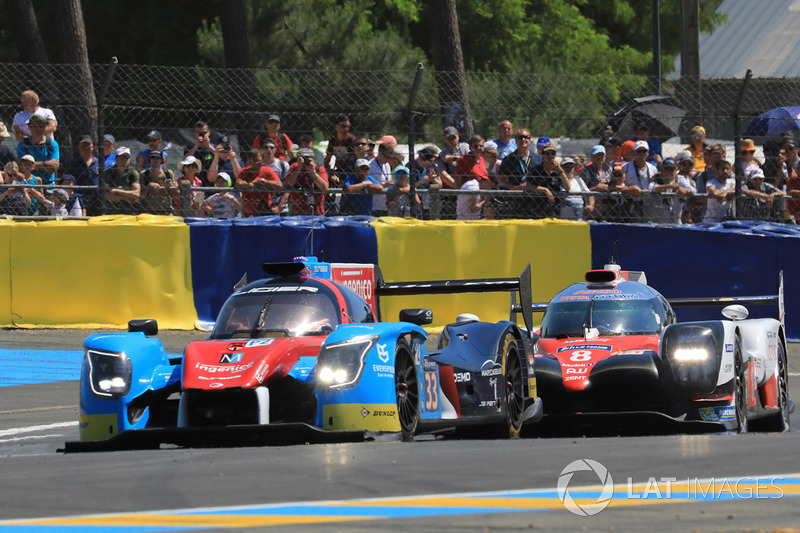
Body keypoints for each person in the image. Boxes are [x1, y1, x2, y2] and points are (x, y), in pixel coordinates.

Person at [497, 129, 536, 218]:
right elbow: (501, 178)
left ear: (530, 140)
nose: (523, 140)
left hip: (535, 199)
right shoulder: (508, 159)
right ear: (515, 140)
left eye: (526, 137)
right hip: (515, 200)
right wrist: (511, 187)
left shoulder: (538, 159)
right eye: (520, 137)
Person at [235, 150, 282, 217]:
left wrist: (263, 181)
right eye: (253, 160)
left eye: (257, 160)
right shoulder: (244, 171)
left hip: (264, 209)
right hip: (248, 211)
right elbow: (238, 183)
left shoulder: (267, 170)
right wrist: (251, 184)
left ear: (263, 160)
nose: (255, 163)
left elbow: (279, 185)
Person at [16, 114, 59, 185]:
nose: (39, 128)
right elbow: (21, 167)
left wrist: (32, 166)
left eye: (42, 126)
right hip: (28, 184)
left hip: (48, 184)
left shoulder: (51, 144)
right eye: (35, 126)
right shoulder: (23, 144)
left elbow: (53, 167)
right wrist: (45, 165)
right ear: (30, 127)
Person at [649, 158, 694, 224]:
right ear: (662, 169)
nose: (668, 172)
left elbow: (692, 190)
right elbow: (652, 187)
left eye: (671, 169)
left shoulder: (680, 178)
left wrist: (684, 190)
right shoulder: (657, 178)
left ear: (676, 170)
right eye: (666, 169)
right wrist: (671, 186)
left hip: (676, 221)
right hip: (659, 223)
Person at [284, 147, 329, 215]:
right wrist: (299, 168)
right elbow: (288, 184)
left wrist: (313, 172)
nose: (305, 160)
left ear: (312, 158)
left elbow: (324, 188)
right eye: (303, 157)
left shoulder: (318, 168)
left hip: (316, 211)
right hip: (297, 210)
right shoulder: (295, 167)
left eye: (307, 157)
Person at [64, 135, 100, 215]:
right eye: (83, 146)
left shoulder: (100, 163)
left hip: (98, 200)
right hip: (79, 200)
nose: (86, 148)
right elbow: (68, 181)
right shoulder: (73, 164)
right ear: (79, 148)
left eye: (88, 146)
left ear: (92, 147)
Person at [525, 143, 562, 219]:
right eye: (547, 154)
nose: (550, 156)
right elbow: (526, 185)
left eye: (552, 153)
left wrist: (560, 170)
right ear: (542, 155)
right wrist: (544, 189)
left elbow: (568, 187)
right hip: (538, 208)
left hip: (555, 210)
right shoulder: (535, 170)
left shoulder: (557, 171)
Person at [100, 147, 140, 215]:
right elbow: (105, 195)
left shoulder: (133, 173)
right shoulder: (108, 173)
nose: (124, 159)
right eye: (121, 157)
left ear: (129, 159)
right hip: (110, 210)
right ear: (116, 158)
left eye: (127, 157)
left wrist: (116, 190)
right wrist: (126, 198)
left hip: (129, 210)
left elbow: (136, 194)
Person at [324, 114, 354, 189]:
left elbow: (354, 159)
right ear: (337, 126)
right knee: (324, 177)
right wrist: (330, 172)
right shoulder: (333, 141)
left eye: (348, 126)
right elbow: (327, 159)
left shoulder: (351, 140)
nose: (346, 128)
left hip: (350, 170)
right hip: (338, 170)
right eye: (343, 126)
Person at [367, 142, 396, 217]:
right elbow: (368, 185)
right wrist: (384, 185)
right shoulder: (370, 166)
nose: (388, 160)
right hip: (373, 206)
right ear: (380, 152)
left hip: (384, 206)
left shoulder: (387, 165)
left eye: (390, 157)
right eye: (386, 157)